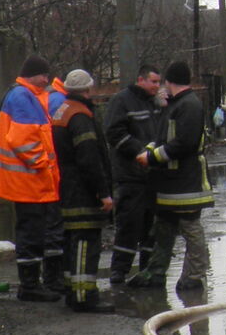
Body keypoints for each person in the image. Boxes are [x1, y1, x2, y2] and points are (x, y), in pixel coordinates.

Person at [0, 53, 65, 300]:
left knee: (32, 231)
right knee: (31, 233)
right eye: (44, 74)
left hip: (29, 180)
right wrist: (42, 163)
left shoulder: (26, 95)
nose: (47, 79)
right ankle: (30, 286)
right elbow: (22, 138)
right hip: (28, 180)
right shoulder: (24, 96)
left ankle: (32, 284)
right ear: (34, 75)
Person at [54, 69, 120, 313]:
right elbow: (89, 158)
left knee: (72, 242)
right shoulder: (81, 116)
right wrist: (103, 192)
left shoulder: (62, 111)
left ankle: (74, 291)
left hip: (66, 186)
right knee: (84, 241)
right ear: (88, 89)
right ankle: (84, 296)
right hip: (81, 191)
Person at [145, 58, 214, 293]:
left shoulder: (189, 106)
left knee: (190, 227)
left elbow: (183, 143)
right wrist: (150, 151)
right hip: (170, 183)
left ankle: (194, 277)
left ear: (169, 80)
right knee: (164, 228)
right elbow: (163, 137)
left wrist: (152, 157)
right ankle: (156, 272)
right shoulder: (174, 105)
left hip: (186, 182)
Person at [103, 61, 165, 289]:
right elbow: (113, 132)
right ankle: (119, 272)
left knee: (151, 228)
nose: (157, 86)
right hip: (131, 176)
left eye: (159, 82)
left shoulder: (155, 103)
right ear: (141, 80)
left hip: (151, 177)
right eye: (153, 82)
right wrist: (141, 150)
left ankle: (148, 270)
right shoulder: (122, 101)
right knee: (129, 225)